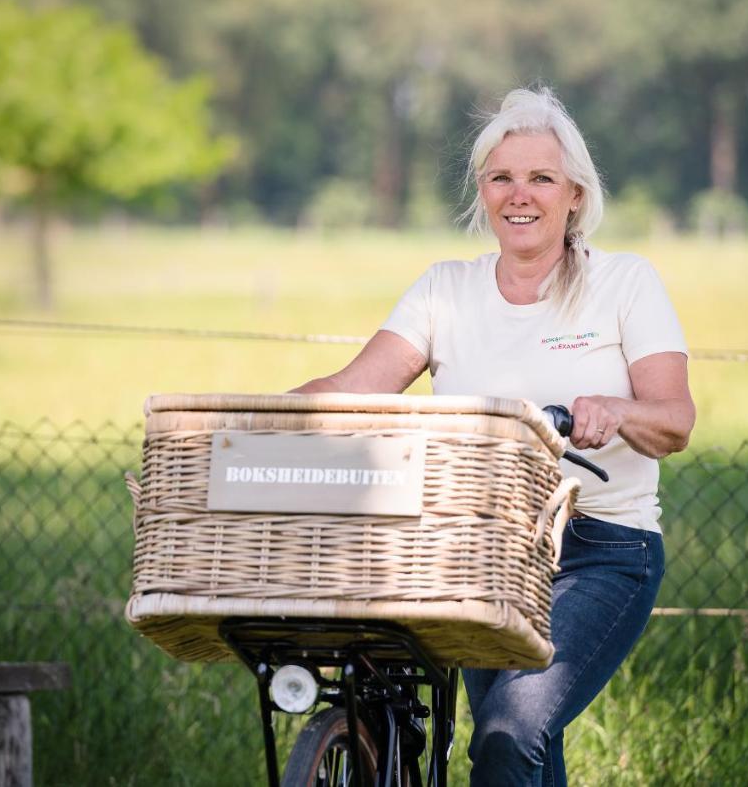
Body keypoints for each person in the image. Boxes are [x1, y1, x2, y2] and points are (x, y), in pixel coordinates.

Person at [292, 86, 695, 785]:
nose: (521, 194)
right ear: (482, 191)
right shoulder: (446, 288)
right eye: (503, 177)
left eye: (541, 177)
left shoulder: (626, 283)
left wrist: (614, 410)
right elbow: (357, 385)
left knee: (509, 730)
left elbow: (675, 420)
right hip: (480, 548)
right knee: (527, 743)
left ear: (575, 193)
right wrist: (253, 417)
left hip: (601, 550)